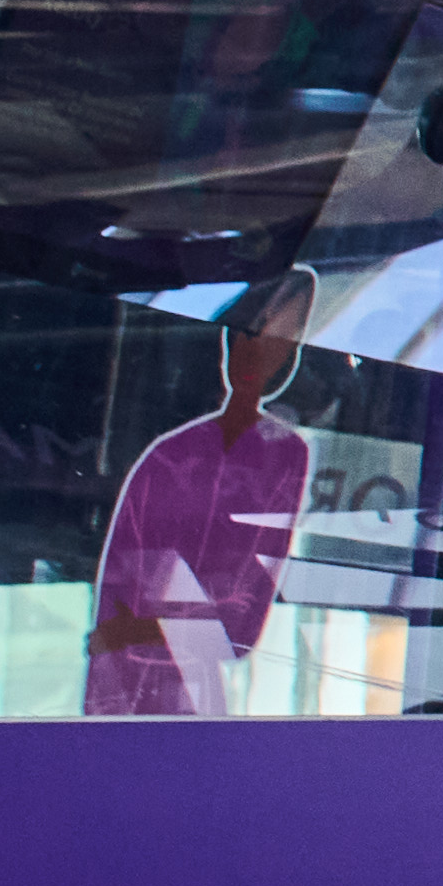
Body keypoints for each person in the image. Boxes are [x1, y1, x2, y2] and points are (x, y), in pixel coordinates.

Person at [85, 264, 328, 717]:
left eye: (281, 343)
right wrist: (145, 632)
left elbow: (239, 628)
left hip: (198, 700)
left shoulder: (287, 457)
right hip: (124, 692)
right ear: (229, 340)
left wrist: (143, 629)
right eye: (249, 336)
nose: (260, 355)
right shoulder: (169, 453)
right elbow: (116, 594)